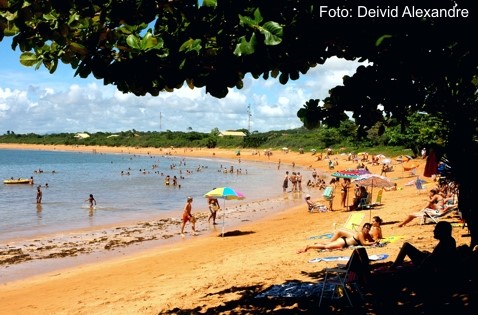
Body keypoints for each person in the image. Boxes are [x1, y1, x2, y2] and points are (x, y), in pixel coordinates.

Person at [389, 221, 456, 273]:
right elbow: (437, 256)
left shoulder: (445, 243)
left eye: (436, 229)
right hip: (431, 264)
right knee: (407, 247)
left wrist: (418, 269)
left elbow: (430, 260)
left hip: (429, 268)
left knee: (406, 246)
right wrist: (428, 254)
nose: (434, 231)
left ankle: (395, 264)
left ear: (442, 232)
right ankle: (397, 263)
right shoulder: (449, 240)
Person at [297, 223, 378, 253]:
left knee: (328, 244)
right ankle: (308, 247)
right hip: (343, 242)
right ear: (363, 228)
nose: (367, 229)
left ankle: (318, 243)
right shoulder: (361, 233)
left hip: (344, 241)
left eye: (368, 228)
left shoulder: (366, 234)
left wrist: (375, 241)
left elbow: (371, 241)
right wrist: (373, 243)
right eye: (365, 227)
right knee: (326, 247)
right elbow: (364, 243)